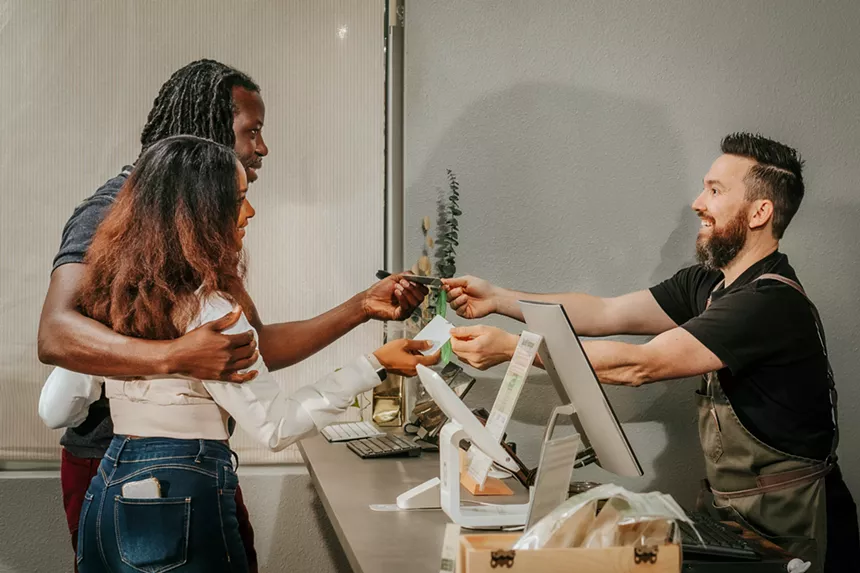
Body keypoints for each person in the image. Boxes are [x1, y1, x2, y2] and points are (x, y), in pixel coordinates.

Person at [36, 59, 427, 572]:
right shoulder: (111, 211)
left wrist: (360, 308)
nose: (261, 148)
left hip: (163, 463)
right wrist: (177, 354)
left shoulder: (192, 252)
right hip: (112, 457)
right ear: (208, 140)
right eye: (252, 132)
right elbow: (56, 334)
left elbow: (249, 347)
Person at [442, 133, 858, 572]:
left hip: (798, 529)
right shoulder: (706, 285)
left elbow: (640, 364)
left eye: (715, 190)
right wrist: (499, 298)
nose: (699, 202)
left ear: (760, 212)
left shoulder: (768, 303)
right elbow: (603, 312)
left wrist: (515, 349)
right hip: (736, 518)